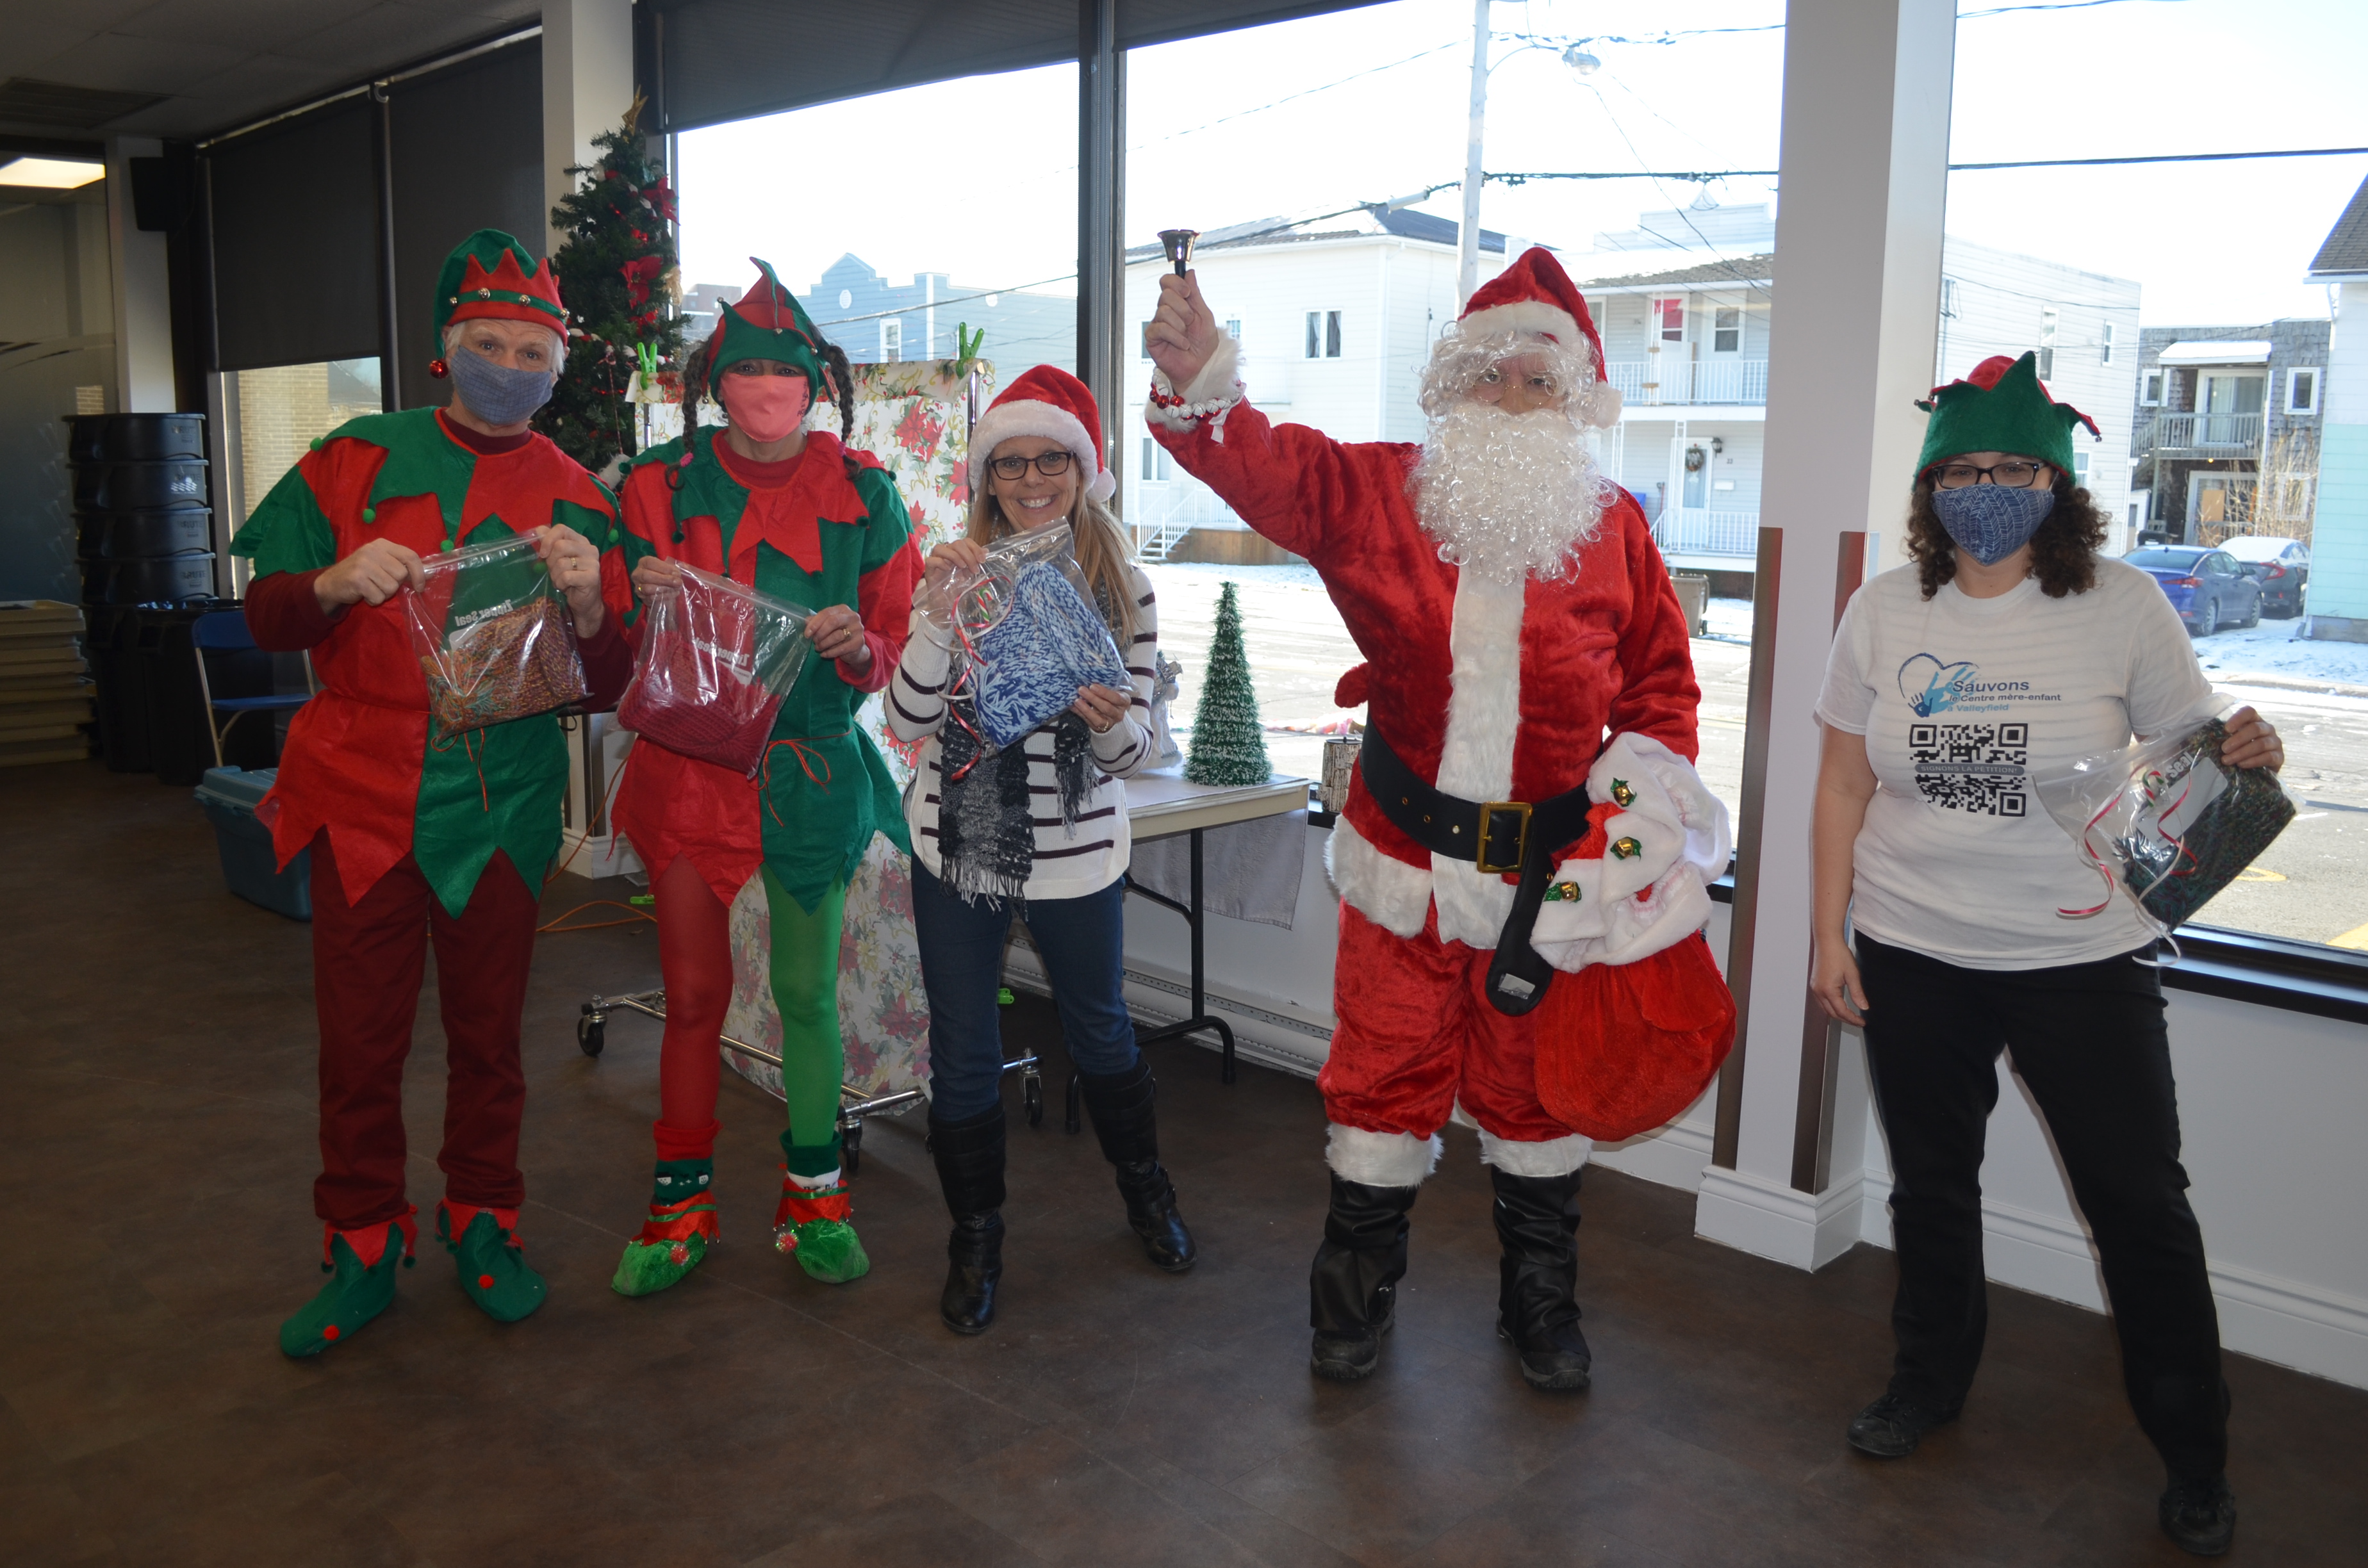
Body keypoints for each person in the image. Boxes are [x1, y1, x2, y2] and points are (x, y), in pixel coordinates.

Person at [1144, 249, 1731, 1389]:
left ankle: (1540, 1306)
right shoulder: (1381, 495)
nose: (1510, 398)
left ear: (1578, 401)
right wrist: (1202, 373)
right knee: (1381, 1083)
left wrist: (1639, 817)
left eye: (1537, 381)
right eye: (1488, 376)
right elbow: (1269, 468)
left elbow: (1662, 686)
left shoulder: (1615, 529)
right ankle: (1352, 1300)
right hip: (1401, 866)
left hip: (1546, 884)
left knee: (1532, 1096)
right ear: (1450, 389)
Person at [1810, 352, 2281, 1558]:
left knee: (2139, 1206)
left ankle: (2196, 1449)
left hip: (2084, 960)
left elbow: (2195, 754)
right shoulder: (1883, 607)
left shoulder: (2122, 604)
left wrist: (2247, 748)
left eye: (2014, 467)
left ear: (2056, 484)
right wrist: (1828, 931)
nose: (1987, 487)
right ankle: (1926, 1384)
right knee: (1932, 1187)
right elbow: (1844, 777)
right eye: (1962, 468)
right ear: (1930, 487)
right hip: (1915, 947)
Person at [237, 230, 631, 1356]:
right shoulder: (352, 459)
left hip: (500, 803)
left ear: (555, 368)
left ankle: (484, 1221)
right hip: (359, 794)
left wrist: (593, 604)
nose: (511, 365)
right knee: (357, 1041)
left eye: (533, 351)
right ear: (446, 352)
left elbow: (605, 681)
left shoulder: (571, 493)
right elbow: (263, 615)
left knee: (490, 1036)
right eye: (490, 344)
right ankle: (360, 1241)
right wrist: (326, 582)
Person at [605, 261, 922, 1296]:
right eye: (743, 374)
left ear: (816, 387)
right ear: (713, 385)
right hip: (690, 773)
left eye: (782, 377)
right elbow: (604, 639)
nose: (764, 393)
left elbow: (897, 640)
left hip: (807, 775)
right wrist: (631, 592)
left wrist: (856, 646)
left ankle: (816, 1201)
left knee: (804, 998)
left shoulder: (866, 494)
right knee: (695, 996)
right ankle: (680, 1208)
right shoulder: (658, 488)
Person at [886, 366, 1192, 1335]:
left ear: (1082, 469)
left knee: (1102, 1031)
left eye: (1050, 459)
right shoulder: (957, 573)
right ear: (986, 476)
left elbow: (1133, 751)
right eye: (1010, 462)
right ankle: (975, 1240)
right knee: (965, 1049)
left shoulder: (1122, 586)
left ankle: (1148, 1195)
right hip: (955, 842)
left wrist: (1105, 725)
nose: (1030, 479)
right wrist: (938, 616)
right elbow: (906, 717)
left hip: (1078, 852)